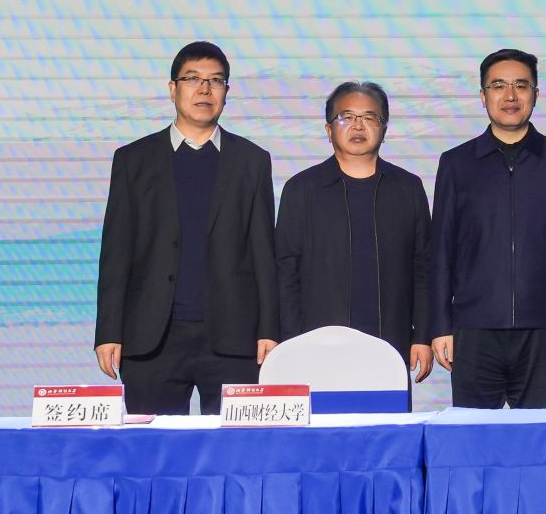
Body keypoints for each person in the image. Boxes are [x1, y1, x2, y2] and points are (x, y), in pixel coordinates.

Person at [94, 41, 277, 415]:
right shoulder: (133, 160)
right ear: (172, 89)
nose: (204, 89)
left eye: (215, 81)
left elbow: (263, 251)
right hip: (152, 337)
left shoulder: (252, 161)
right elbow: (116, 252)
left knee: (233, 446)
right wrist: (108, 331)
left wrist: (269, 330)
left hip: (233, 337)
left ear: (226, 91)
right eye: (193, 79)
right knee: (153, 448)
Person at [428, 49, 546, 408]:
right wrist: (439, 326)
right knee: (474, 435)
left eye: (521, 85)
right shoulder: (457, 163)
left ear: (536, 93)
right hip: (474, 330)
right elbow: (440, 251)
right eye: (498, 86)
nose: (510, 95)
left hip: (545, 330)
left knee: (539, 435)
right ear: (483, 95)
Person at [273, 81, 433, 382]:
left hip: (389, 344)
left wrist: (422, 336)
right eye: (346, 117)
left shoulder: (408, 188)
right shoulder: (302, 189)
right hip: (316, 345)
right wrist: (290, 343)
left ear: (384, 129)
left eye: (369, 117)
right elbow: (286, 272)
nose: (358, 126)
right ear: (328, 129)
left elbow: (423, 268)